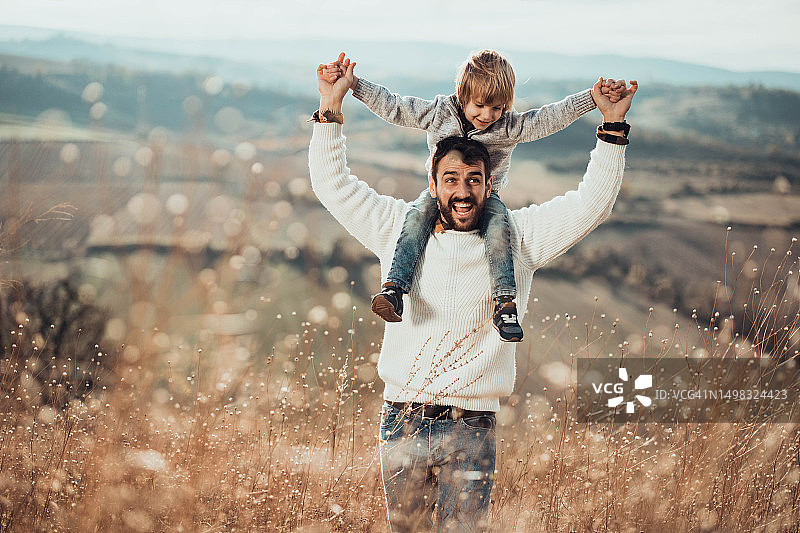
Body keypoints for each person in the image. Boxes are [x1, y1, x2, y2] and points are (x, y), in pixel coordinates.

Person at [310, 54, 636, 532]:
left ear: (491, 184)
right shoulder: (397, 228)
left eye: (474, 181)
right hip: (403, 417)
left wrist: (611, 126)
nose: (463, 192)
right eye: (451, 180)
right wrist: (331, 105)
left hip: (472, 424)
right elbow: (332, 184)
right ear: (433, 184)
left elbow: (591, 204)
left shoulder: (518, 240)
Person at [323, 50, 623, 343]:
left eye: (497, 108)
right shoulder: (438, 113)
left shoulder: (507, 126)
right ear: (461, 95)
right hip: (437, 196)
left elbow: (547, 118)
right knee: (415, 219)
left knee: (499, 231)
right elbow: (395, 107)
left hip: (487, 199)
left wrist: (591, 100)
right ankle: (394, 289)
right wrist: (354, 86)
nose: (487, 116)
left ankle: (505, 303)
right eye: (479, 106)